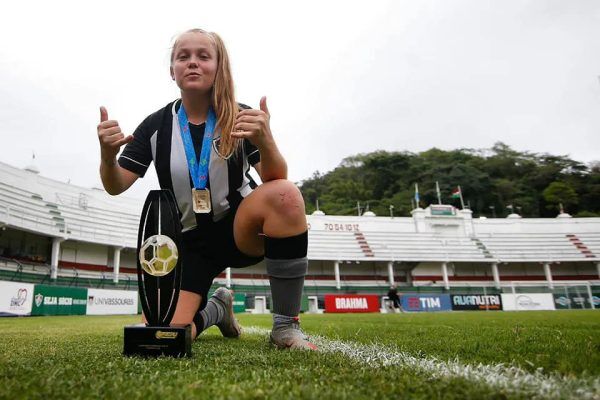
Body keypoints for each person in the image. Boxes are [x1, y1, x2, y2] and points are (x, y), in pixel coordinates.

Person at [96, 28, 316, 350]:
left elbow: (277, 179)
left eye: (203, 56)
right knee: (162, 336)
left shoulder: (239, 115)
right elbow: (116, 185)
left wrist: (267, 141)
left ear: (218, 66)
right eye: (183, 57)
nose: (192, 63)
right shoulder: (155, 127)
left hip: (239, 226)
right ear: (172, 71)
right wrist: (106, 155)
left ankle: (285, 328)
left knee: (286, 195)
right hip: (190, 243)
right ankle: (217, 309)